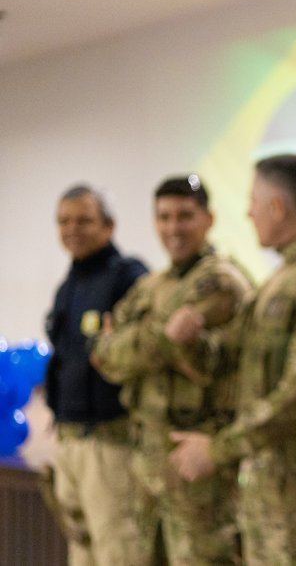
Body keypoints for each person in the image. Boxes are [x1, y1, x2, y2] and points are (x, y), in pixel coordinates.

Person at [167, 154, 296, 565]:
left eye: (253, 202)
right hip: (269, 500)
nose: (247, 213)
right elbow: (226, 368)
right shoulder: (279, 281)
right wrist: (187, 340)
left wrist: (218, 450)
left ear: (277, 206)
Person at [91, 176, 252, 565]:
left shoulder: (222, 281)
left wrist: (132, 341)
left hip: (198, 465)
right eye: (164, 217)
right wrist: (160, 336)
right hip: (149, 463)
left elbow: (187, 357)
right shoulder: (151, 286)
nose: (173, 228)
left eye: (184, 216)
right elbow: (104, 357)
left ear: (209, 219)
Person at [44, 185, 148, 566]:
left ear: (109, 226)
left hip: (109, 445)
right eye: (65, 221)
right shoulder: (69, 285)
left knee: (119, 552)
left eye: (84, 220)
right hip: (70, 440)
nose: (73, 229)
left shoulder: (129, 279)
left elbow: (141, 354)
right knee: (81, 553)